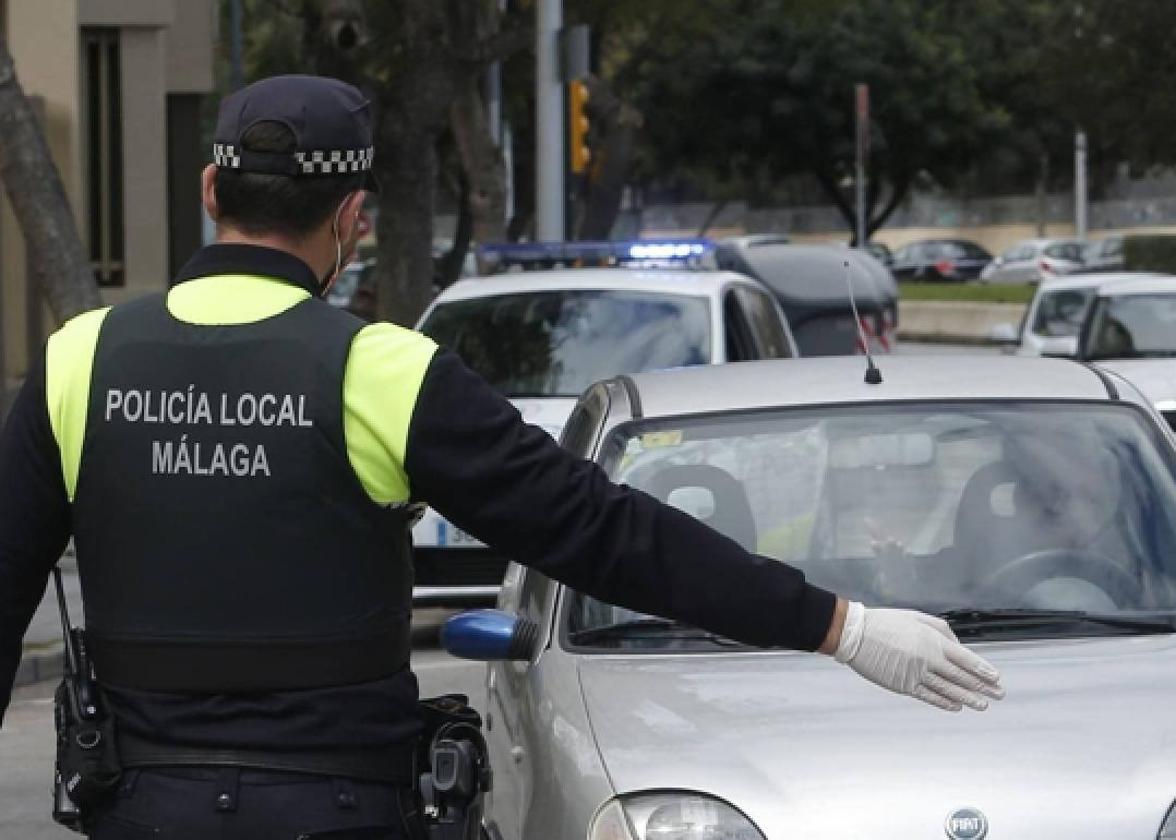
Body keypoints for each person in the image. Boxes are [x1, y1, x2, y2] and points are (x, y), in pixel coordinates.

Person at [0, 75, 1003, 839]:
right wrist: (840, 625)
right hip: (342, 808)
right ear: (352, 220)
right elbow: (604, 535)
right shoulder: (381, 372)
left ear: (212, 188)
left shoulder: (76, 362)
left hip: (143, 807)